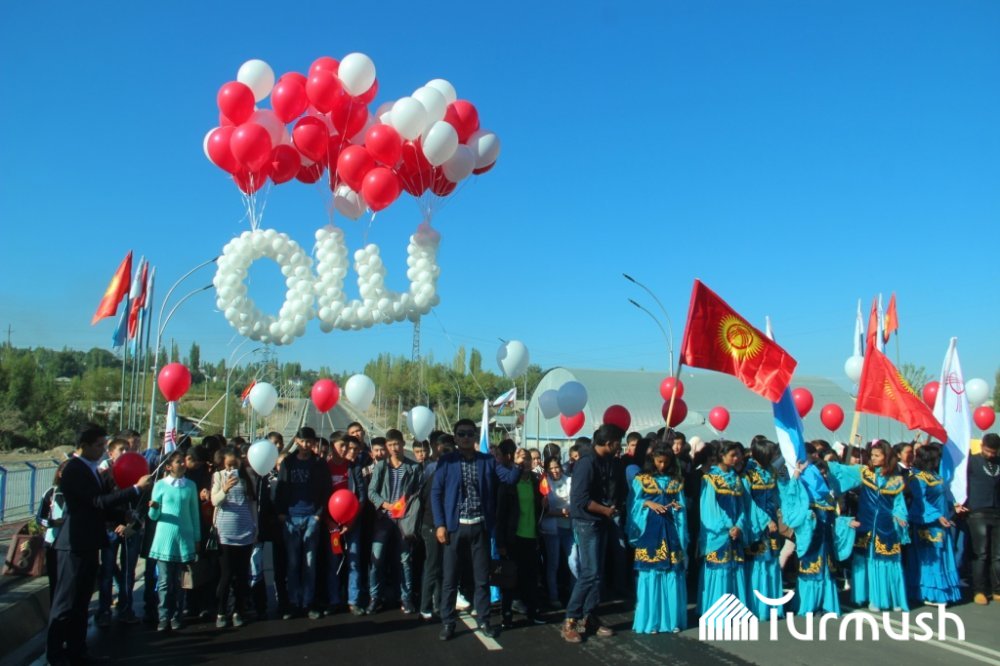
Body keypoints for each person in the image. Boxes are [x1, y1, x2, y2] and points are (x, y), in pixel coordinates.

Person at [46, 424, 152, 666]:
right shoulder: (74, 469)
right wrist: (135, 489)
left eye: (104, 445)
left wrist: (120, 515)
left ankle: (77, 649)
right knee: (65, 603)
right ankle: (55, 654)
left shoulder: (92, 469)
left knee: (82, 602)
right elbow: (95, 501)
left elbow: (98, 508)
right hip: (73, 545)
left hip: (90, 542)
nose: (102, 450)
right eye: (98, 445)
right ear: (84, 446)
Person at [432, 418, 524, 641]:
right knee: (450, 578)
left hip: (480, 526)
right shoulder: (446, 461)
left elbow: (509, 479)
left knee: (482, 578)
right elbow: (436, 493)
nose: (465, 437)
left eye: (469, 434)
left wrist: (518, 464)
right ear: (455, 438)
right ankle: (448, 622)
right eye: (461, 434)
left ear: (475, 437)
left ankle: (484, 620)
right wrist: (440, 524)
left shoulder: (487, 461)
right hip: (454, 527)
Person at [561, 424, 625, 644]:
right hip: (586, 523)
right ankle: (570, 620)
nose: (620, 446)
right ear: (609, 443)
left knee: (598, 575)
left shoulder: (607, 461)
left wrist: (610, 507)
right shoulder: (586, 463)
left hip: (600, 521)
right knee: (589, 572)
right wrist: (605, 510)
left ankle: (589, 617)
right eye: (618, 442)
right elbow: (580, 500)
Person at [831, 439, 909, 612]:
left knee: (886, 561)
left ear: (886, 457)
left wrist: (900, 516)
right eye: (872, 455)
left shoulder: (895, 480)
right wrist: (824, 464)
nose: (873, 458)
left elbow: (899, 503)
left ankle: (890, 598)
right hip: (866, 524)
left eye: (877, 455)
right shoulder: (864, 472)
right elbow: (841, 471)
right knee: (867, 560)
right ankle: (871, 598)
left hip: (886, 526)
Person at [627, 440, 687, 634]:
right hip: (649, 532)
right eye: (659, 461)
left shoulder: (676, 481)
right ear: (652, 459)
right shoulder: (641, 479)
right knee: (651, 573)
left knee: (671, 573)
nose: (662, 465)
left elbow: (682, 505)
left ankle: (671, 620)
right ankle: (651, 621)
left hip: (671, 531)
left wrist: (677, 507)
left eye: (666, 462)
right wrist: (648, 503)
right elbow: (633, 505)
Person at [275, 426, 332, 620]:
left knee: (310, 562)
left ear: (313, 443)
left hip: (311, 517)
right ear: (297, 442)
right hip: (291, 517)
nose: (305, 445)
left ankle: (308, 602)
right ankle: (293, 602)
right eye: (302, 441)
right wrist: (281, 513)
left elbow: (326, 490)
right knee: (293, 563)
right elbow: (280, 487)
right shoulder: (288, 462)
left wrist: (318, 514)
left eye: (309, 441)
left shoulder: (319, 463)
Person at [367, 429, 422, 614]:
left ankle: (406, 598)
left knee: (405, 560)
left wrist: (408, 507)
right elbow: (371, 491)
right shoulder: (381, 467)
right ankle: (375, 597)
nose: (394, 448)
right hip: (384, 518)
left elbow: (417, 493)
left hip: (404, 520)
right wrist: (385, 505)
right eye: (390, 445)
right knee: (376, 558)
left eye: (397, 444)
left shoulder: (413, 468)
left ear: (403, 444)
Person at [148, 450, 200, 632]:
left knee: (180, 582)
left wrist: (197, 538)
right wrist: (154, 508)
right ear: (169, 466)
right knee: (164, 582)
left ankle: (177, 616)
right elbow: (153, 516)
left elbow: (194, 513)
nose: (183, 464)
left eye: (183, 461)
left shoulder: (190, 486)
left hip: (184, 539)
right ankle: (163, 617)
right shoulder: (160, 485)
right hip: (164, 540)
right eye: (178, 462)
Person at [495, 440, 544, 628]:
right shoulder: (509, 483)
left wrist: (545, 505)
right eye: (522, 458)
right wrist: (501, 542)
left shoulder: (535, 481)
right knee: (509, 578)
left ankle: (533, 612)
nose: (526, 462)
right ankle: (506, 615)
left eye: (528, 459)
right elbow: (501, 514)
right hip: (513, 537)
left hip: (531, 536)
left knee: (531, 578)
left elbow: (538, 509)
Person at [697, 441, 749, 615]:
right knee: (719, 569)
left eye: (738, 455)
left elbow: (742, 507)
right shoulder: (709, 478)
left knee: (734, 569)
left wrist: (739, 525)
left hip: (735, 532)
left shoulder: (736, 478)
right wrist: (728, 526)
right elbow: (709, 510)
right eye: (733, 455)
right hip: (718, 533)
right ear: (722, 456)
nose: (737, 458)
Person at [905, 443, 961, 606]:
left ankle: (942, 591)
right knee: (931, 557)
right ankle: (929, 594)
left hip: (941, 522)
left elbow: (940, 498)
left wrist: (953, 506)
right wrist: (937, 516)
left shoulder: (934, 475)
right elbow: (920, 501)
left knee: (941, 556)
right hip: (926, 522)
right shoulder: (917, 477)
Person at [96, 438, 142, 627]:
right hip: (110, 529)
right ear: (111, 454)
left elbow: (142, 502)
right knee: (107, 571)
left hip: (131, 530)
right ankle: (104, 611)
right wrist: (118, 518)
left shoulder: (137, 475)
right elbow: (101, 503)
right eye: (121, 449)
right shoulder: (105, 477)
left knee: (128, 572)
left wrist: (132, 522)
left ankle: (126, 608)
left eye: (127, 449)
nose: (125, 453)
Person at [212, 446, 258, 628]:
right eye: (228, 465)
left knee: (242, 574)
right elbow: (215, 501)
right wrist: (224, 489)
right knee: (226, 574)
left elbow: (252, 504)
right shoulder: (218, 476)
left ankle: (239, 610)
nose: (231, 468)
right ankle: (221, 611)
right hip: (225, 533)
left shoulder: (247, 478)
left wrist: (255, 527)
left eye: (235, 464)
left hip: (245, 531)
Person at [742, 439, 783, 619]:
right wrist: (765, 520)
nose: (774, 457)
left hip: (772, 520)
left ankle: (772, 605)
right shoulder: (748, 472)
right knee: (758, 562)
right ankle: (757, 607)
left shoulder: (772, 471)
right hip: (756, 524)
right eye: (771, 454)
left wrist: (780, 510)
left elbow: (777, 493)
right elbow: (748, 500)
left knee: (772, 560)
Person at [959, 432, 1000, 605]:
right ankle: (979, 590)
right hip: (977, 512)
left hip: (997, 512)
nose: (990, 454)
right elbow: (959, 481)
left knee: (997, 555)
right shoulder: (971, 461)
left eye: (993, 452)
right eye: (987, 450)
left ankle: (997, 589)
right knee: (981, 553)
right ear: (982, 446)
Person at [419, 435, 452, 620]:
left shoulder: (446, 472)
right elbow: (427, 499)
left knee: (442, 567)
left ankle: (439, 605)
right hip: (431, 524)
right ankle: (425, 607)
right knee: (432, 566)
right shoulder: (434, 472)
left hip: (443, 524)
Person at [539, 455, 573, 607]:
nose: (554, 471)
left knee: (575, 562)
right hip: (551, 529)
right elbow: (543, 511)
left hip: (569, 528)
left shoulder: (570, 480)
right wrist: (559, 512)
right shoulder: (544, 483)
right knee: (553, 564)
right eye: (551, 468)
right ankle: (554, 596)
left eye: (556, 467)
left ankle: (575, 595)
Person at [37, 460, 69, 602]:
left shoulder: (81, 493)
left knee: (70, 581)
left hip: (71, 545)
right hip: (52, 543)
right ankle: (55, 609)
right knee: (54, 581)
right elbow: (39, 518)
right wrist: (52, 523)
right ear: (60, 474)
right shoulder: (51, 493)